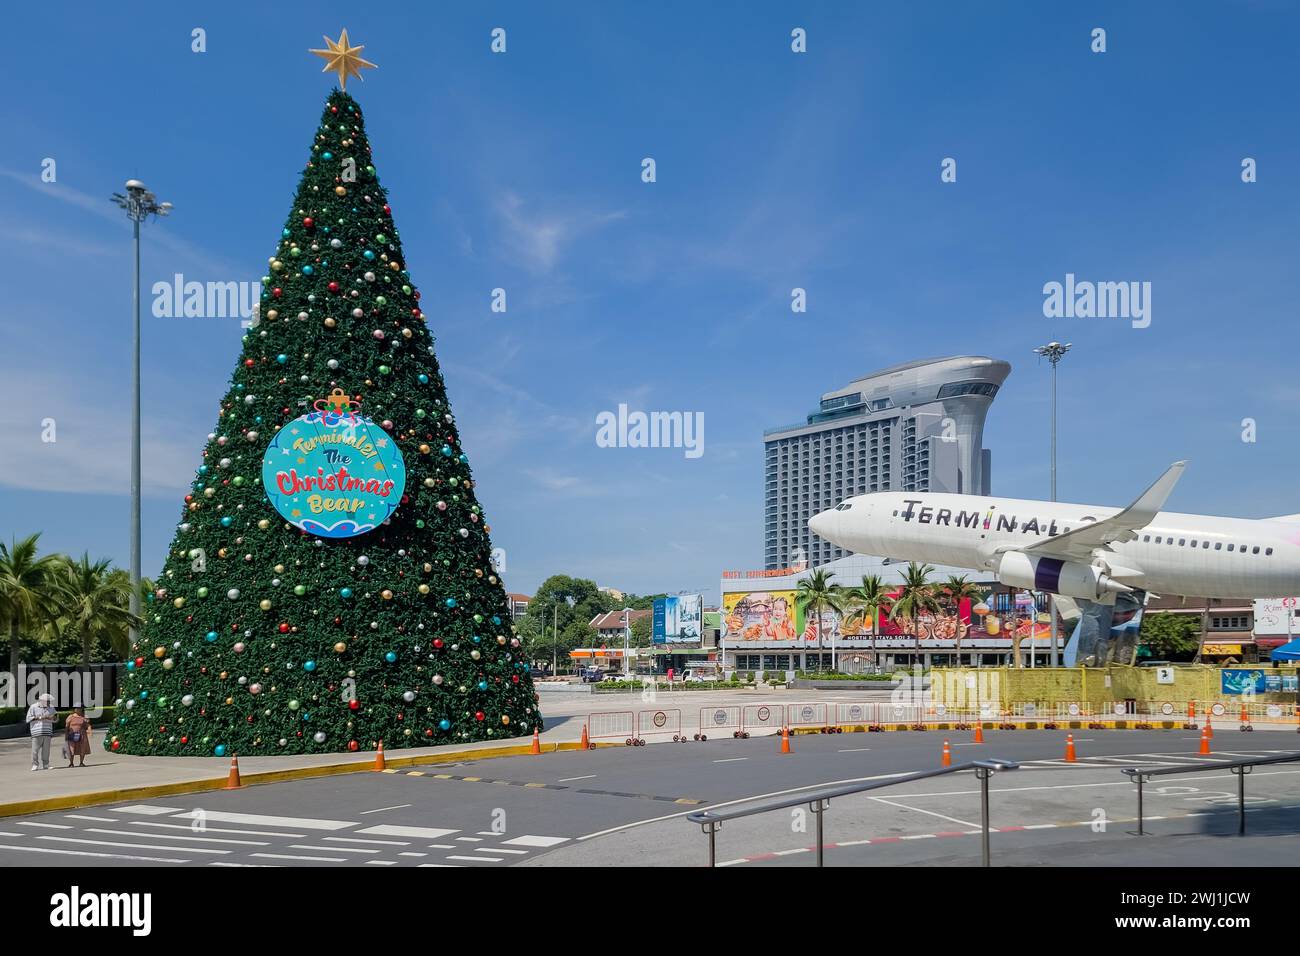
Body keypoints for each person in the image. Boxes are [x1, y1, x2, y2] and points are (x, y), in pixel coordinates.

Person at [25, 693, 56, 771]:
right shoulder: (33, 707)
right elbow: (28, 718)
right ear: (42, 700)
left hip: (47, 732)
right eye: (47, 701)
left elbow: (56, 718)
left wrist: (53, 718)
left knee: (46, 750)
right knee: (35, 750)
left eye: (49, 701)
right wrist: (40, 717)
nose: (49, 703)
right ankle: (35, 765)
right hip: (36, 732)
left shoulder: (51, 708)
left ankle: (46, 764)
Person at [64, 704, 92, 768]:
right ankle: (71, 763)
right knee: (71, 749)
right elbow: (67, 727)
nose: (78, 709)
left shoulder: (84, 717)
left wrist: (89, 731)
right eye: (77, 708)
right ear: (75, 709)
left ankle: (81, 762)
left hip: (82, 735)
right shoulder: (70, 717)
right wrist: (66, 735)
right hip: (72, 734)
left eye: (80, 708)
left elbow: (87, 725)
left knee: (82, 748)